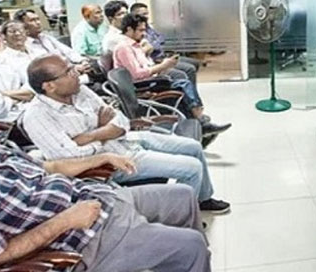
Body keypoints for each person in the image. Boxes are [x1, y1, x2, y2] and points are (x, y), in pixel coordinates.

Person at [0, 96, 211, 272]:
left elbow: (50, 166)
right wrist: (65, 221)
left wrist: (101, 158)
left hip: (96, 197)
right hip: (82, 237)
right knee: (191, 246)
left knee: (183, 196)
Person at [22, 54, 231, 213]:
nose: (76, 73)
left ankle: (202, 199)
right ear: (49, 86)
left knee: (194, 147)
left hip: (126, 139)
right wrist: (104, 131)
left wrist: (90, 136)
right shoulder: (37, 116)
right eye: (68, 72)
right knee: (192, 168)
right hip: (112, 162)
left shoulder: (79, 91)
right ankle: (181, 217)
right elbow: (69, 157)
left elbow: (120, 120)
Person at [113, 14, 231, 137]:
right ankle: (200, 120)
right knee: (182, 84)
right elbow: (137, 75)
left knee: (181, 79)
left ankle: (199, 122)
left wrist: (163, 67)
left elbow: (145, 66)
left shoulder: (134, 46)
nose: (144, 34)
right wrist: (163, 66)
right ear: (129, 29)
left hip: (151, 80)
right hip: (142, 87)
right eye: (141, 30)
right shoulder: (124, 48)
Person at [130, 2, 201, 83]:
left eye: (147, 13)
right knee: (189, 69)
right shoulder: (137, 30)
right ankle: (187, 89)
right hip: (156, 60)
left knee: (195, 63)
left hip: (163, 55)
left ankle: (190, 87)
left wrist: (153, 44)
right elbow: (149, 47)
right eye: (143, 14)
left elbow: (161, 38)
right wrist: (154, 44)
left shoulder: (148, 27)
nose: (146, 16)